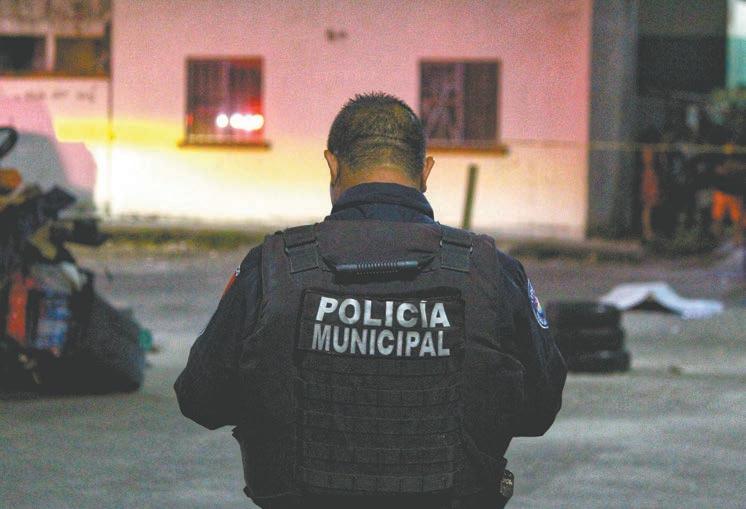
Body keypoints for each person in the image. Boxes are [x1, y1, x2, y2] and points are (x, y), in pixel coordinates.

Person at [174, 93, 567, 509]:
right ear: (425, 171)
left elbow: (202, 399)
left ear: (332, 165)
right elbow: (540, 408)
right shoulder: (491, 271)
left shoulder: (273, 266)